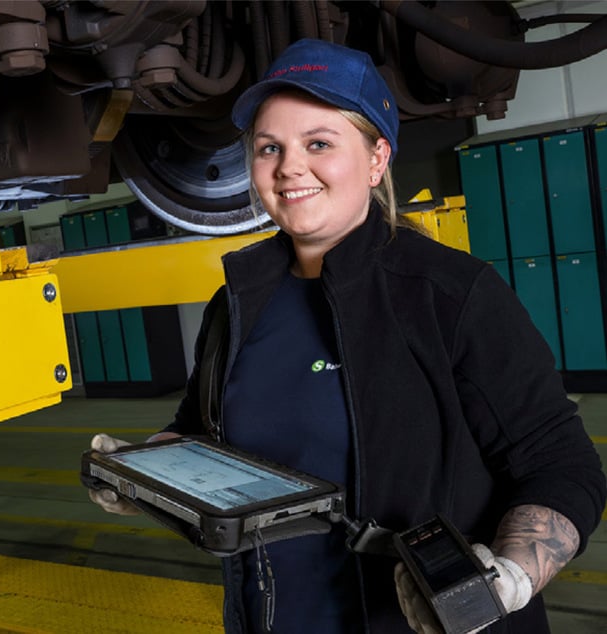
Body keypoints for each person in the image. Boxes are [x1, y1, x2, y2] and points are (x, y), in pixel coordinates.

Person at [89, 38, 606, 633]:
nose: (289, 168)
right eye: (269, 148)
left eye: (319, 144)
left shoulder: (450, 295)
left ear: (376, 158)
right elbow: (198, 429)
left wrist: (508, 579)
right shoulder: (235, 303)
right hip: (273, 614)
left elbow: (563, 464)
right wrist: (144, 472)